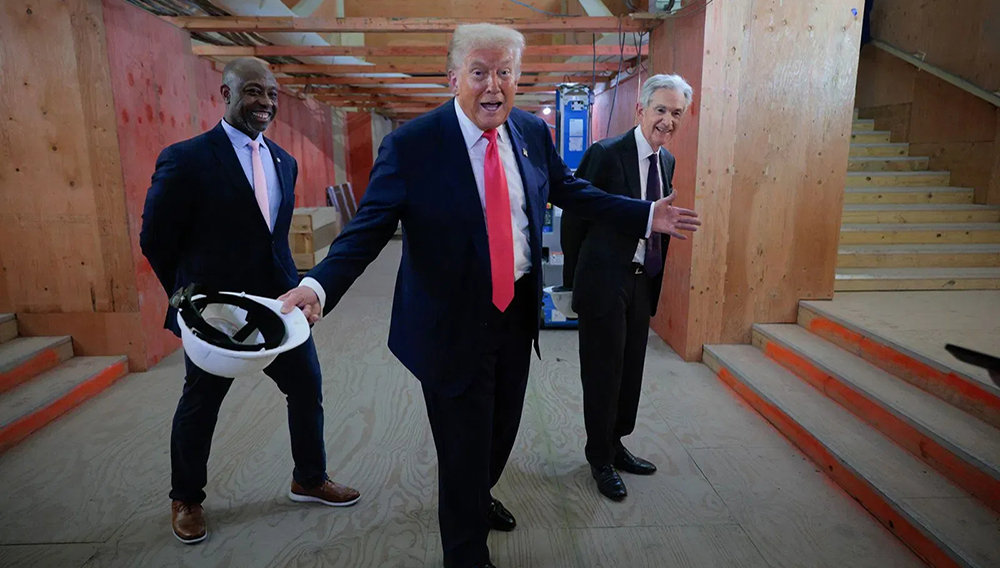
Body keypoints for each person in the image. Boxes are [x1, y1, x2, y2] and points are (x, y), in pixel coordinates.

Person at [278, 24, 700, 568]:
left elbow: (571, 189)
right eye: (479, 72)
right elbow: (367, 229)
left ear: (518, 78)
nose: (493, 86)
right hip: (449, 321)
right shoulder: (413, 145)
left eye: (505, 73)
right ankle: (465, 551)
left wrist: (643, 214)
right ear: (453, 77)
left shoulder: (529, 130)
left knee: (501, 430)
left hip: (515, 313)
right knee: (462, 448)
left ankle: (479, 496)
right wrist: (318, 284)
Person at [139, 57, 361, 546]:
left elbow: (273, 239)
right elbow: (155, 238)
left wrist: (298, 290)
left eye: (272, 94)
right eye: (254, 92)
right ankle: (186, 498)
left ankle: (309, 478)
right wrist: (184, 300)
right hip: (215, 312)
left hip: (277, 304)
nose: (265, 103)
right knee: (201, 402)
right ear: (226, 93)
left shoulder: (284, 161)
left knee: (306, 388)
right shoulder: (187, 159)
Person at [561, 74, 693, 502]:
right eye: (661, 110)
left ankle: (616, 443)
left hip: (641, 279)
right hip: (603, 280)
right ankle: (599, 457)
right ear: (640, 110)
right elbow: (575, 218)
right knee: (603, 371)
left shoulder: (666, 161)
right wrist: (572, 283)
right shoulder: (605, 154)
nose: (668, 120)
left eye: (677, 113)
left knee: (630, 369)